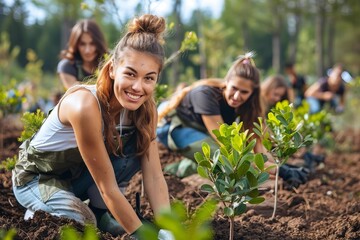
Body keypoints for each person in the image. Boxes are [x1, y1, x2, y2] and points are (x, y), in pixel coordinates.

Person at [12, 14, 173, 240]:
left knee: (134, 147)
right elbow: (108, 188)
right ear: (112, 69)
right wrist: (142, 236)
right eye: (130, 74)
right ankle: (41, 213)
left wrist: (169, 230)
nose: (138, 87)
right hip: (39, 178)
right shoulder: (85, 105)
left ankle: (101, 213)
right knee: (80, 223)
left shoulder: (145, 110)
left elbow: (155, 177)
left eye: (149, 78)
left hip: (77, 178)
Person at [157, 53, 309, 187]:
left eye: (244, 92)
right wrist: (280, 171)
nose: (237, 96)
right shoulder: (205, 95)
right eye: (234, 88)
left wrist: (284, 164)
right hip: (171, 126)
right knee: (222, 157)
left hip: (199, 130)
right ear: (226, 82)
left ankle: (176, 170)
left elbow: (255, 149)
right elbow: (227, 146)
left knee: (225, 156)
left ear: (252, 93)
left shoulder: (248, 106)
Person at [57, 19, 108, 89]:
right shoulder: (67, 66)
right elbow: (77, 94)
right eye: (82, 44)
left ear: (99, 43)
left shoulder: (110, 61)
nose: (87, 50)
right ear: (76, 45)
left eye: (92, 44)